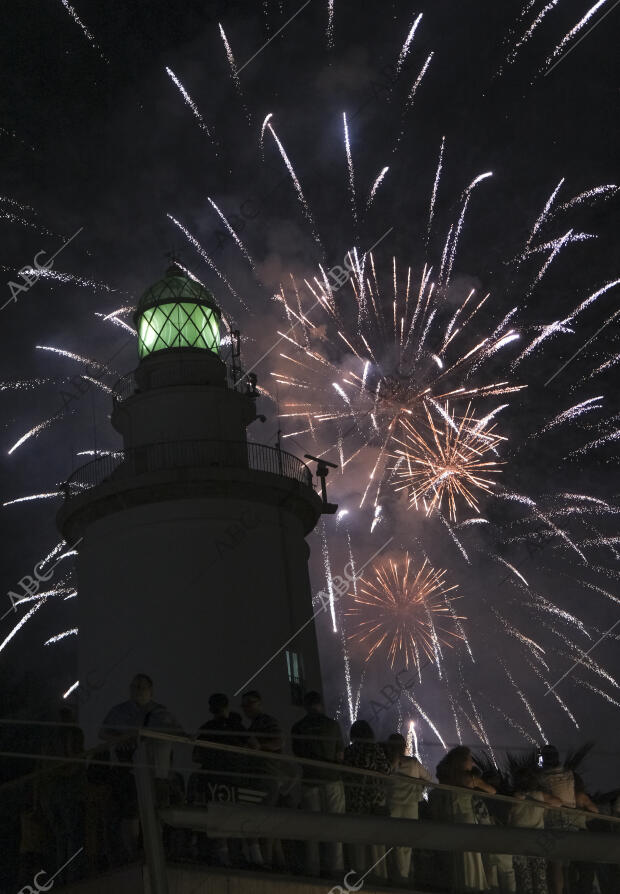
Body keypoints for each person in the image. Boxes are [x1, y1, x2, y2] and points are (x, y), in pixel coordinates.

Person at [99, 673, 182, 861]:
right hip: (129, 771)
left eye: (141, 687)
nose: (137, 690)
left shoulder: (162, 713)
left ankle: (150, 853)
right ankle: (136, 854)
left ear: (150, 690)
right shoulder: (119, 711)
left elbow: (178, 733)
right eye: (134, 687)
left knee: (154, 812)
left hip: (156, 772)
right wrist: (123, 739)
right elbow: (103, 733)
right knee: (132, 812)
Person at [291, 690, 345, 878]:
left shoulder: (298, 727)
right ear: (321, 705)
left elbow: (297, 755)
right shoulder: (333, 725)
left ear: (306, 706)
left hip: (310, 780)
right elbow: (340, 754)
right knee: (335, 826)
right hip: (332, 780)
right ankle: (336, 869)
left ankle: (313, 868)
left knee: (311, 827)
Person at [192, 693, 247, 866]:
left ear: (210, 708)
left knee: (218, 816)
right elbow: (253, 746)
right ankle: (238, 855)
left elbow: (196, 756)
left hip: (213, 778)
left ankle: (223, 855)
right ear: (227, 706)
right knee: (235, 815)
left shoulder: (206, 728)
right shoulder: (237, 727)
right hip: (234, 778)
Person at [428, 746, 491, 893]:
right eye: (470, 759)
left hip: (448, 821)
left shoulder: (445, 776)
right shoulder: (469, 779)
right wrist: (476, 779)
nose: (472, 763)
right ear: (462, 761)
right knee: (469, 860)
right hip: (465, 820)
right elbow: (492, 791)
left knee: (455, 861)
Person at [38, 706, 85, 882]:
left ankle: (64, 876)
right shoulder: (70, 734)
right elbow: (74, 759)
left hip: (57, 790)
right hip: (63, 789)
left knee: (63, 835)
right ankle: (68, 876)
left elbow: (49, 763)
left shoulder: (57, 735)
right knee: (67, 834)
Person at [241, 690, 287, 870]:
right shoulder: (256, 724)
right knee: (268, 817)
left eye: (249, 704)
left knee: (264, 817)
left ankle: (267, 861)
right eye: (245, 705)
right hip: (267, 775)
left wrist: (260, 748)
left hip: (266, 775)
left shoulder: (265, 722)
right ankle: (278, 863)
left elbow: (279, 742)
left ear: (259, 704)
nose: (246, 708)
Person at [343, 720, 391, 884]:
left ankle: (357, 873)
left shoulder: (349, 751)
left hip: (355, 798)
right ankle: (379, 874)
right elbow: (385, 770)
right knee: (376, 838)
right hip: (374, 798)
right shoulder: (375, 749)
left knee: (357, 838)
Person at [384, 732, 432, 886]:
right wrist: (419, 788)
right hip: (412, 805)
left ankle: (398, 875)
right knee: (407, 843)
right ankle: (404, 875)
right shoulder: (413, 763)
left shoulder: (387, 764)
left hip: (393, 805)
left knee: (395, 842)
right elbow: (428, 778)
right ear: (404, 746)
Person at [508, 766, 562, 894]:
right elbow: (558, 802)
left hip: (519, 842)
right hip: (538, 841)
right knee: (540, 879)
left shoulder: (515, 796)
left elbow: (509, 817)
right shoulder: (539, 795)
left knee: (524, 879)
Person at [540, 744, 579, 894]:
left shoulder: (543, 777)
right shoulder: (569, 774)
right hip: (572, 822)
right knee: (566, 865)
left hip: (553, 823)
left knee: (555, 865)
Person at [569, 773, 599, 894]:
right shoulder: (580, 796)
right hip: (580, 831)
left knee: (569, 867)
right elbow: (595, 811)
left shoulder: (562, 795)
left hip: (564, 832)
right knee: (586, 867)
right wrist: (584, 817)